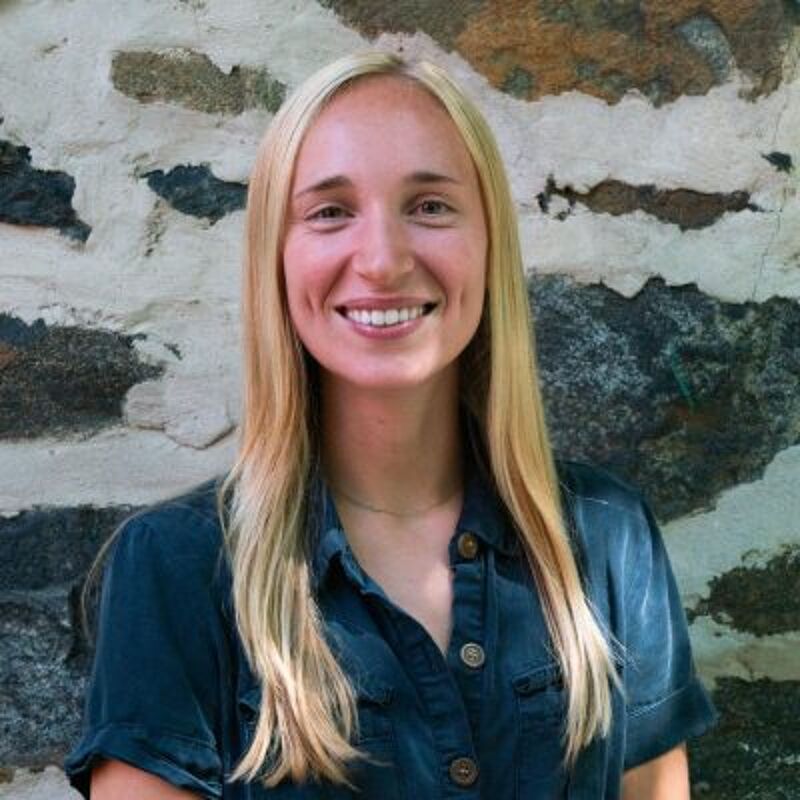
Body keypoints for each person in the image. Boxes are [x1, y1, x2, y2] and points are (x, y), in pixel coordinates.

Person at [65, 51, 717, 799]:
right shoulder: (176, 569)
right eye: (330, 212)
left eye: (431, 206)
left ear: (489, 244)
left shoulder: (609, 540)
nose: (380, 260)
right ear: (277, 259)